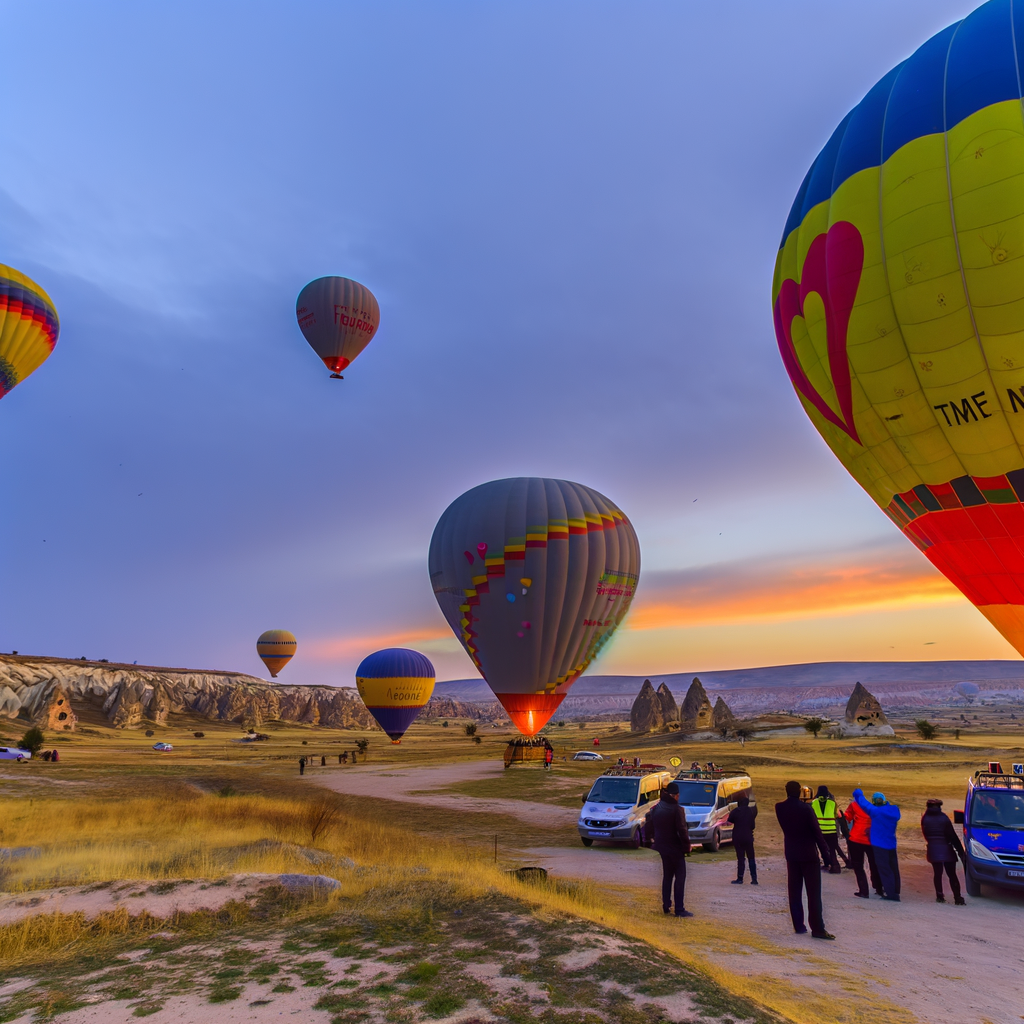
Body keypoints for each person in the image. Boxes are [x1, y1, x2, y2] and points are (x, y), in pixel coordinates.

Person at [775, 780, 834, 939]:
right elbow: (817, 834)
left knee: (794, 891)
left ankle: (799, 926)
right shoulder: (806, 809)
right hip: (808, 854)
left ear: (786, 791)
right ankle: (817, 928)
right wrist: (827, 856)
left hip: (792, 854)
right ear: (800, 791)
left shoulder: (779, 807)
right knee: (813, 893)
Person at [646, 781, 693, 918]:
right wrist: (686, 847)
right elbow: (682, 831)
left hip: (662, 846)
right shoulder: (677, 810)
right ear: (676, 795)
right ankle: (679, 909)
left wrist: (651, 840)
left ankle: (666, 905)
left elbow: (649, 824)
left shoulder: (658, 806)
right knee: (680, 877)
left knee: (667, 877)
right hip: (675, 847)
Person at [853, 789, 901, 901]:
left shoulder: (876, 812)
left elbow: (864, 804)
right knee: (894, 869)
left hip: (879, 844)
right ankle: (896, 891)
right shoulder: (894, 810)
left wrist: (858, 794)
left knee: (885, 869)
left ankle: (891, 894)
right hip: (891, 843)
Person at [921, 798, 966, 904]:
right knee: (952, 874)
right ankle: (957, 898)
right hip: (946, 848)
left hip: (933, 849)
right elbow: (952, 835)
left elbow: (926, 835)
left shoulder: (925, 818)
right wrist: (960, 851)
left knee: (937, 874)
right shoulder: (944, 818)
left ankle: (940, 896)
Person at [845, 792, 882, 898]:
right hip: (871, 839)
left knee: (858, 866)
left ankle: (864, 891)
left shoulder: (854, 805)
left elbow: (847, 818)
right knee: (874, 865)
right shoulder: (875, 807)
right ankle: (879, 888)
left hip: (856, 838)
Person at [811, 786, 843, 874]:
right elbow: (838, 815)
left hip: (819, 831)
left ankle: (825, 864)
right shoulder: (832, 803)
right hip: (831, 830)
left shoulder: (814, 803)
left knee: (821, 849)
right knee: (832, 850)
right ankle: (835, 867)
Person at [728, 793, 758, 884]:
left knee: (741, 858)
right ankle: (754, 878)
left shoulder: (736, 811)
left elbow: (730, 820)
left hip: (738, 837)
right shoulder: (751, 812)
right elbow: (753, 826)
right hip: (748, 837)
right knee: (751, 858)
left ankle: (740, 878)